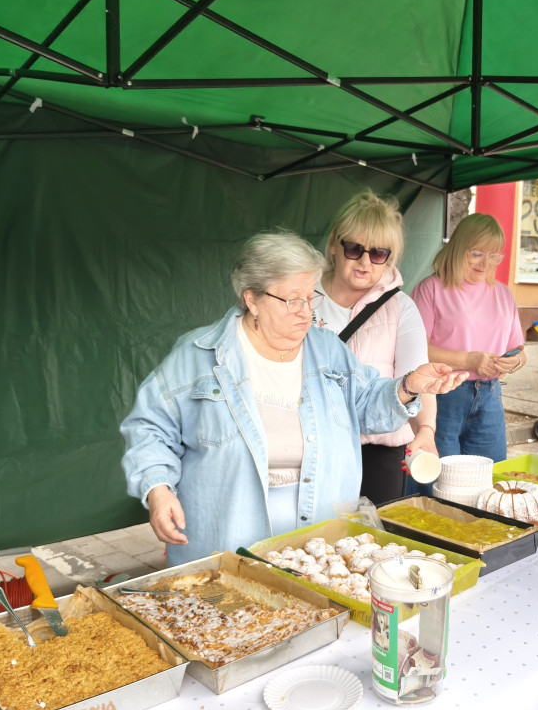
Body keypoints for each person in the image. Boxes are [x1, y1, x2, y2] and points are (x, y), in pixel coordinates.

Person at [120, 230, 467, 565]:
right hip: (226, 543)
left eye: (311, 297)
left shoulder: (328, 349)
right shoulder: (198, 355)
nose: (306, 311)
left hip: (318, 546)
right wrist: (158, 488)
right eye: (292, 300)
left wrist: (407, 386)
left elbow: (367, 406)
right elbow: (150, 428)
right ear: (252, 300)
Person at [315, 191, 437, 504]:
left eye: (378, 253)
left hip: (379, 453)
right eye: (354, 248)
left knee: (375, 532)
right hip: (313, 447)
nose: (365, 261)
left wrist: (426, 430)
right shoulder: (302, 295)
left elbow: (417, 379)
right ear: (334, 244)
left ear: (389, 258)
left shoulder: (401, 307)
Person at [412, 213, 526, 463]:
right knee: (438, 475)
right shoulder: (431, 288)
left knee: (488, 475)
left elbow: (519, 352)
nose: (485, 263)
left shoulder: (503, 294)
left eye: (494, 255)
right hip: (441, 393)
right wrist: (469, 361)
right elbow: (416, 351)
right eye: (477, 253)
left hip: (490, 395)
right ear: (458, 248)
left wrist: (513, 362)